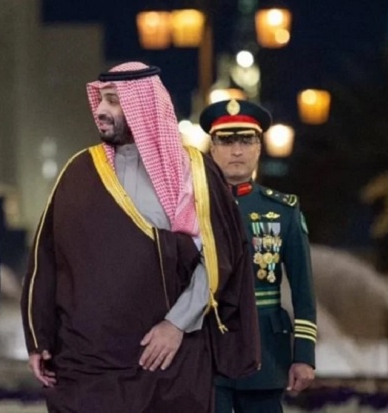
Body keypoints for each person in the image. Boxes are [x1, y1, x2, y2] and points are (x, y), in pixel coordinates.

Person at [21, 62, 260, 413]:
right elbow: (46, 261)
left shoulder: (193, 172)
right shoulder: (79, 172)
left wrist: (176, 324)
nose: (100, 111)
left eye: (113, 101)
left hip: (168, 358)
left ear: (143, 107)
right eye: (101, 100)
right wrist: (39, 338)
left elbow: (218, 256)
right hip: (87, 363)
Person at [200, 99, 316, 413]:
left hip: (266, 353)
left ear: (259, 148)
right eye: (227, 141)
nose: (237, 151)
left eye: (246, 141)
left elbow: (304, 289)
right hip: (208, 348)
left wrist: (304, 355)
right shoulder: (193, 207)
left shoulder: (283, 210)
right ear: (212, 149)